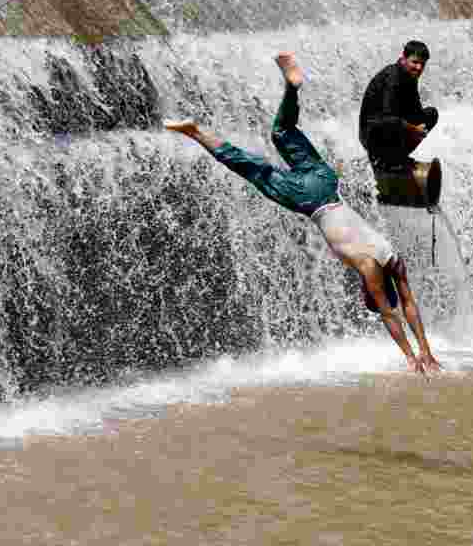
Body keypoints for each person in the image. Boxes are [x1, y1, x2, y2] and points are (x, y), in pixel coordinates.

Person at [164, 52, 442, 374]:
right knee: (251, 168)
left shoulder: (391, 258)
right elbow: (391, 314)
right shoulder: (370, 269)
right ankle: (196, 132)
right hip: (312, 201)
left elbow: (408, 304)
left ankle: (292, 87)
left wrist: (427, 351)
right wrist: (411, 356)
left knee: (282, 132)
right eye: (370, 293)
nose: (368, 291)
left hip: (327, 181)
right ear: (371, 289)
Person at [359, 40, 439, 172]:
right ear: (403, 58)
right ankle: (386, 160)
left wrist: (421, 127)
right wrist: (413, 129)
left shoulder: (410, 77)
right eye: (415, 62)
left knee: (431, 114)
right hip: (373, 134)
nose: (419, 68)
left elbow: (416, 112)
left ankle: (398, 156)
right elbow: (387, 118)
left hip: (393, 128)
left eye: (422, 64)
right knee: (394, 123)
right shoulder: (393, 77)